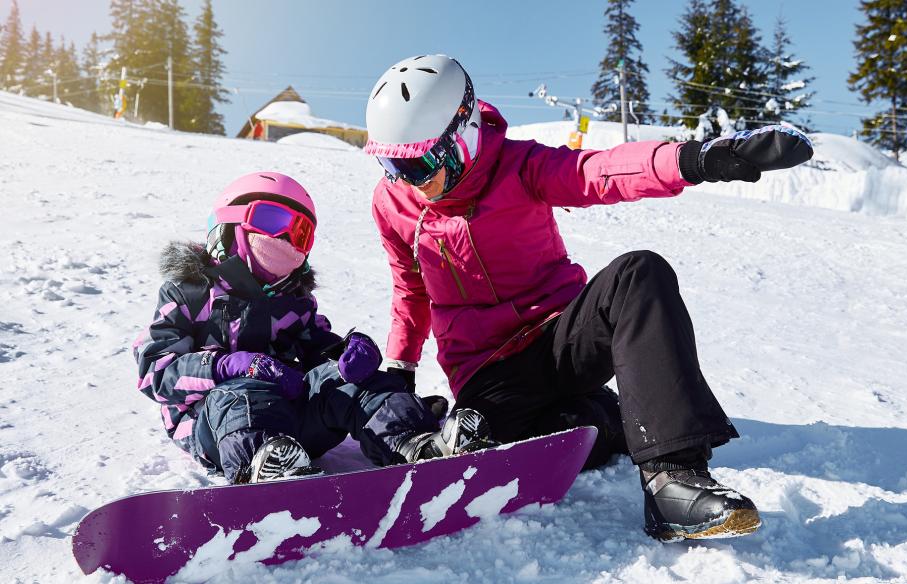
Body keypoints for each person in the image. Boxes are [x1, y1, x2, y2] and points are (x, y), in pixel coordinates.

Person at [364, 55, 813, 540]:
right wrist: (400, 366)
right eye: (394, 164)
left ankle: (674, 480)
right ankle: (592, 420)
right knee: (542, 430)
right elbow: (410, 288)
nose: (410, 180)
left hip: (561, 337)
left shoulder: (518, 165)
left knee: (640, 273)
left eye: (423, 162)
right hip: (488, 373)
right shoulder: (392, 204)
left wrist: (697, 158)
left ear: (465, 133)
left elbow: (598, 172)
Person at [132, 171, 493, 484]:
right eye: (273, 221)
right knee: (240, 393)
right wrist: (226, 366)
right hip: (216, 427)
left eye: (300, 233)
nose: (285, 239)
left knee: (349, 381)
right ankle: (267, 467)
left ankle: (417, 443)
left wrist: (351, 351)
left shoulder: (295, 299)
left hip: (294, 420)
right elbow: (155, 373)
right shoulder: (189, 292)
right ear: (229, 224)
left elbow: (319, 348)